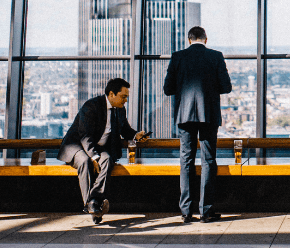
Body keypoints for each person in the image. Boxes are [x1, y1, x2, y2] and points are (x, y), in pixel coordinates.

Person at [164, 26, 232, 223]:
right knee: (208, 160)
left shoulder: (177, 57)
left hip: (185, 115)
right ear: (206, 39)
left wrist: (184, 87)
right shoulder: (216, 56)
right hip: (208, 114)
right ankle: (206, 211)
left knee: (186, 160)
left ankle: (185, 212)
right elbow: (226, 87)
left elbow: (168, 89)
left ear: (188, 40)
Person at [58, 78, 149, 224]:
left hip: (98, 147)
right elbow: (85, 136)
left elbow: (124, 128)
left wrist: (135, 135)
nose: (125, 100)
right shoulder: (91, 106)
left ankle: (93, 202)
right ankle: (94, 205)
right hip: (76, 145)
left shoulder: (120, 109)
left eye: (126, 97)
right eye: (123, 96)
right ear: (112, 94)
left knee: (107, 160)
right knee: (86, 161)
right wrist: (94, 157)